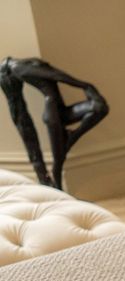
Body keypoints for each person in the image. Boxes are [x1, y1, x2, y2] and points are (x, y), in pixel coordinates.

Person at [0, 56, 108, 189]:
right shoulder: (19, 69)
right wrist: (85, 85)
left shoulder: (18, 66)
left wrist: (86, 86)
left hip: (61, 111)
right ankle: (58, 191)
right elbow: (55, 75)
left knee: (100, 108)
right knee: (58, 162)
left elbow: (56, 75)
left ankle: (71, 136)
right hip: (52, 116)